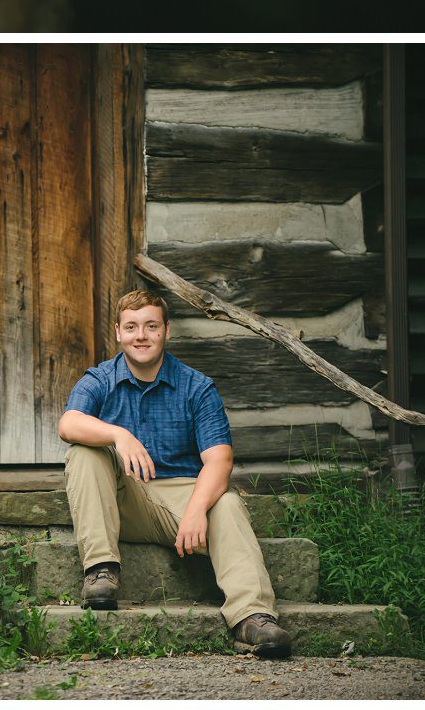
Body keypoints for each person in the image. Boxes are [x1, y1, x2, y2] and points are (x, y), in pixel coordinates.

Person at [58, 280, 291, 655]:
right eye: (131, 327)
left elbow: (220, 460)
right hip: (126, 500)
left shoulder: (196, 387)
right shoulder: (100, 378)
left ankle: (252, 618)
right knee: (84, 452)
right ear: (118, 333)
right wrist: (118, 435)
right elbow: (68, 423)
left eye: (151, 326)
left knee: (228, 504)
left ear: (166, 330)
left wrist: (198, 509)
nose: (141, 336)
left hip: (184, 499)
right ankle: (101, 571)